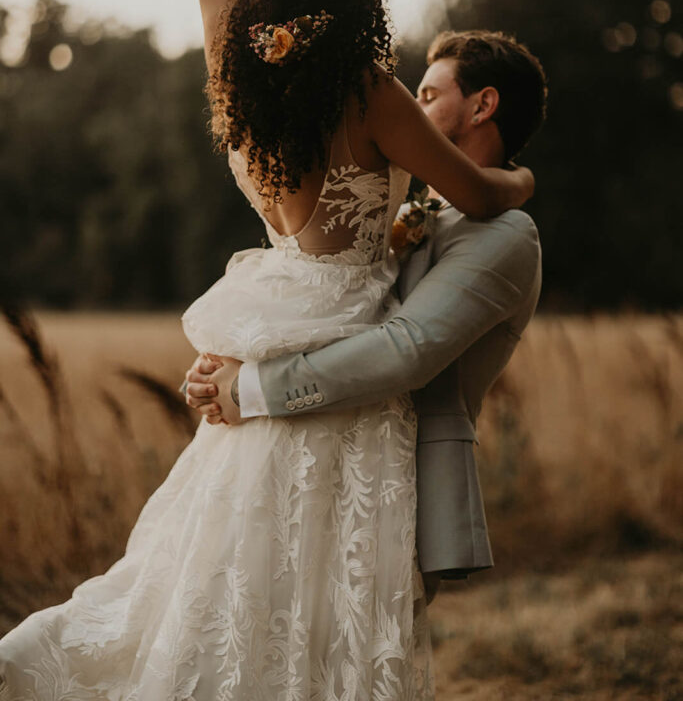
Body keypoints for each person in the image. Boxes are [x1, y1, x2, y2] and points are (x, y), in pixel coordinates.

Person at [0, 0, 534, 700]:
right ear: (353, 0)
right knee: (321, 603)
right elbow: (473, 189)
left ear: (263, 0)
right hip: (339, 373)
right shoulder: (369, 93)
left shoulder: (231, 75)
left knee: (216, 579)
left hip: (260, 350)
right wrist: (520, 177)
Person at [184, 30, 546, 607]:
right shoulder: (414, 210)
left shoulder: (507, 236)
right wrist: (223, 366)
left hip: (400, 482)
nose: (413, 107)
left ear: (484, 105)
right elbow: (334, 306)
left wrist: (250, 388)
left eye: (429, 95)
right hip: (325, 453)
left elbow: (408, 348)